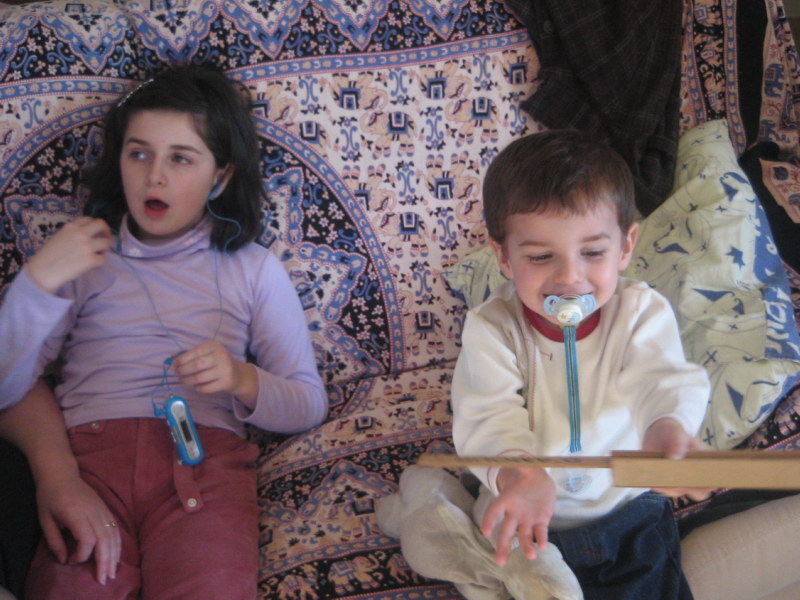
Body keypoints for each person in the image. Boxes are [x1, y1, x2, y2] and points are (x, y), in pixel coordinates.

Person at [0, 63, 328, 599]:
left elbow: (308, 404)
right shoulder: (83, 256)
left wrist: (240, 378)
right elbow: (6, 388)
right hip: (91, 462)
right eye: (139, 154)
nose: (154, 176)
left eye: (181, 158)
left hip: (205, 464)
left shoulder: (254, 269)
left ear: (220, 177)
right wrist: (35, 284)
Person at [451, 129, 711, 599]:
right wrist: (519, 472)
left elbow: (660, 379)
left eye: (592, 253)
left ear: (626, 246)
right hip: (529, 514)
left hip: (627, 507)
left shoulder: (640, 313)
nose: (570, 277)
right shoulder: (492, 328)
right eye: (540, 256)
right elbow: (486, 414)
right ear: (504, 257)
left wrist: (666, 428)